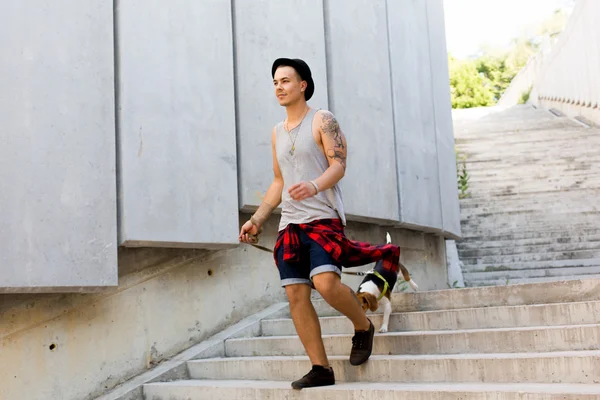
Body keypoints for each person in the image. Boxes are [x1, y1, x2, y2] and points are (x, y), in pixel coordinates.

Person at [239, 58, 401, 390]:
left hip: (322, 219)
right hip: (290, 226)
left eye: (285, 81)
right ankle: (320, 368)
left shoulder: (322, 119)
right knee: (297, 295)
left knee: (326, 284)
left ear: (303, 85)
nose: (279, 87)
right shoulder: (276, 132)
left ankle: (362, 326)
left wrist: (314, 185)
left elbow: (339, 164)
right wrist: (257, 219)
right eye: (274, 82)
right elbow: (277, 181)